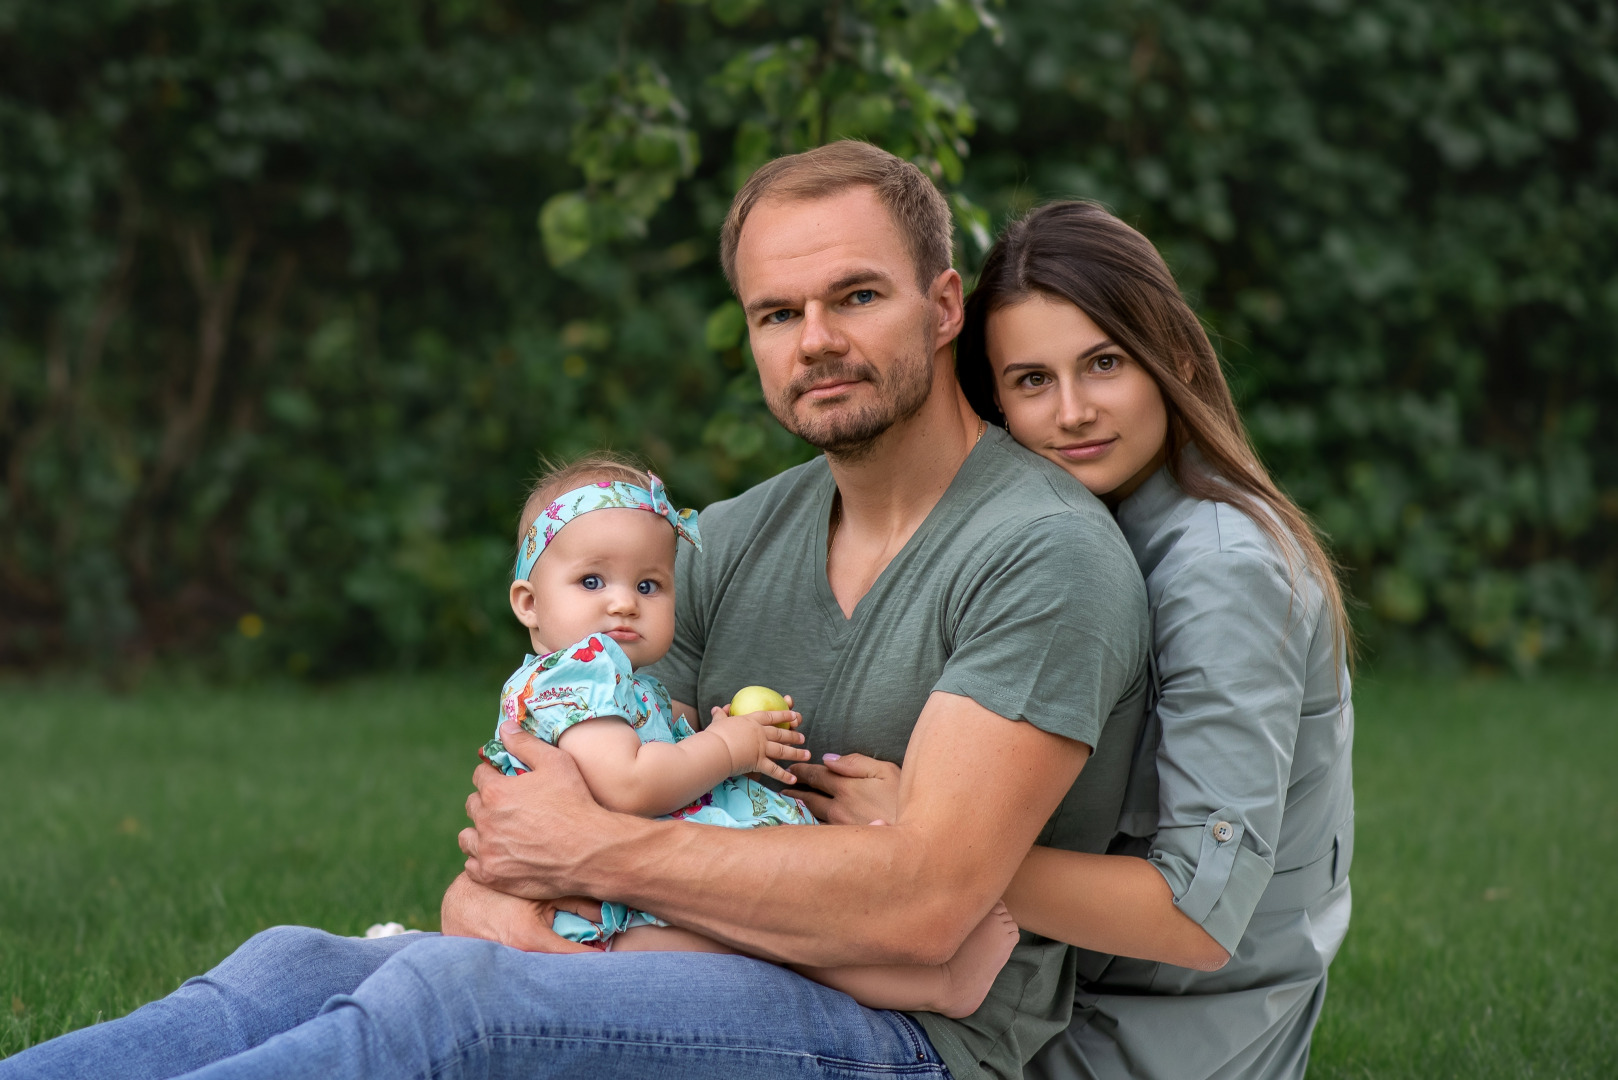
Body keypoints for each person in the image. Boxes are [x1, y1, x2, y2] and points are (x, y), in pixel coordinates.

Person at [0, 142, 1149, 1080]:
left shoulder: (1036, 552)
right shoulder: (720, 541)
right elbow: (515, 830)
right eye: (775, 312)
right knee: (293, 962)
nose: (817, 342)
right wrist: (515, 896)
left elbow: (923, 909)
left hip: (915, 1039)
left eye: (856, 296)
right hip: (698, 952)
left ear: (944, 305)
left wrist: (591, 855)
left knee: (448, 1007)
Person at [794, 201, 1356, 1080]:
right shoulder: (1064, 536)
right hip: (1025, 989)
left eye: (1103, 364)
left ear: (1172, 360)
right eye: (1030, 381)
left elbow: (1196, 918)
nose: (1072, 412)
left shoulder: (1222, 571)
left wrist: (926, 845)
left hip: (1150, 1041)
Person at [478, 453, 1019, 1016]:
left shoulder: (616, 680)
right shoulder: (578, 672)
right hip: (616, 921)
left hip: (629, 891)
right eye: (592, 580)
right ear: (529, 603)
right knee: (775, 940)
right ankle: (937, 988)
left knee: (783, 933)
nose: (623, 602)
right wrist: (727, 748)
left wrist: (708, 733)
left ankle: (927, 979)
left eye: (649, 584)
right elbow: (629, 784)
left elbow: (641, 759)